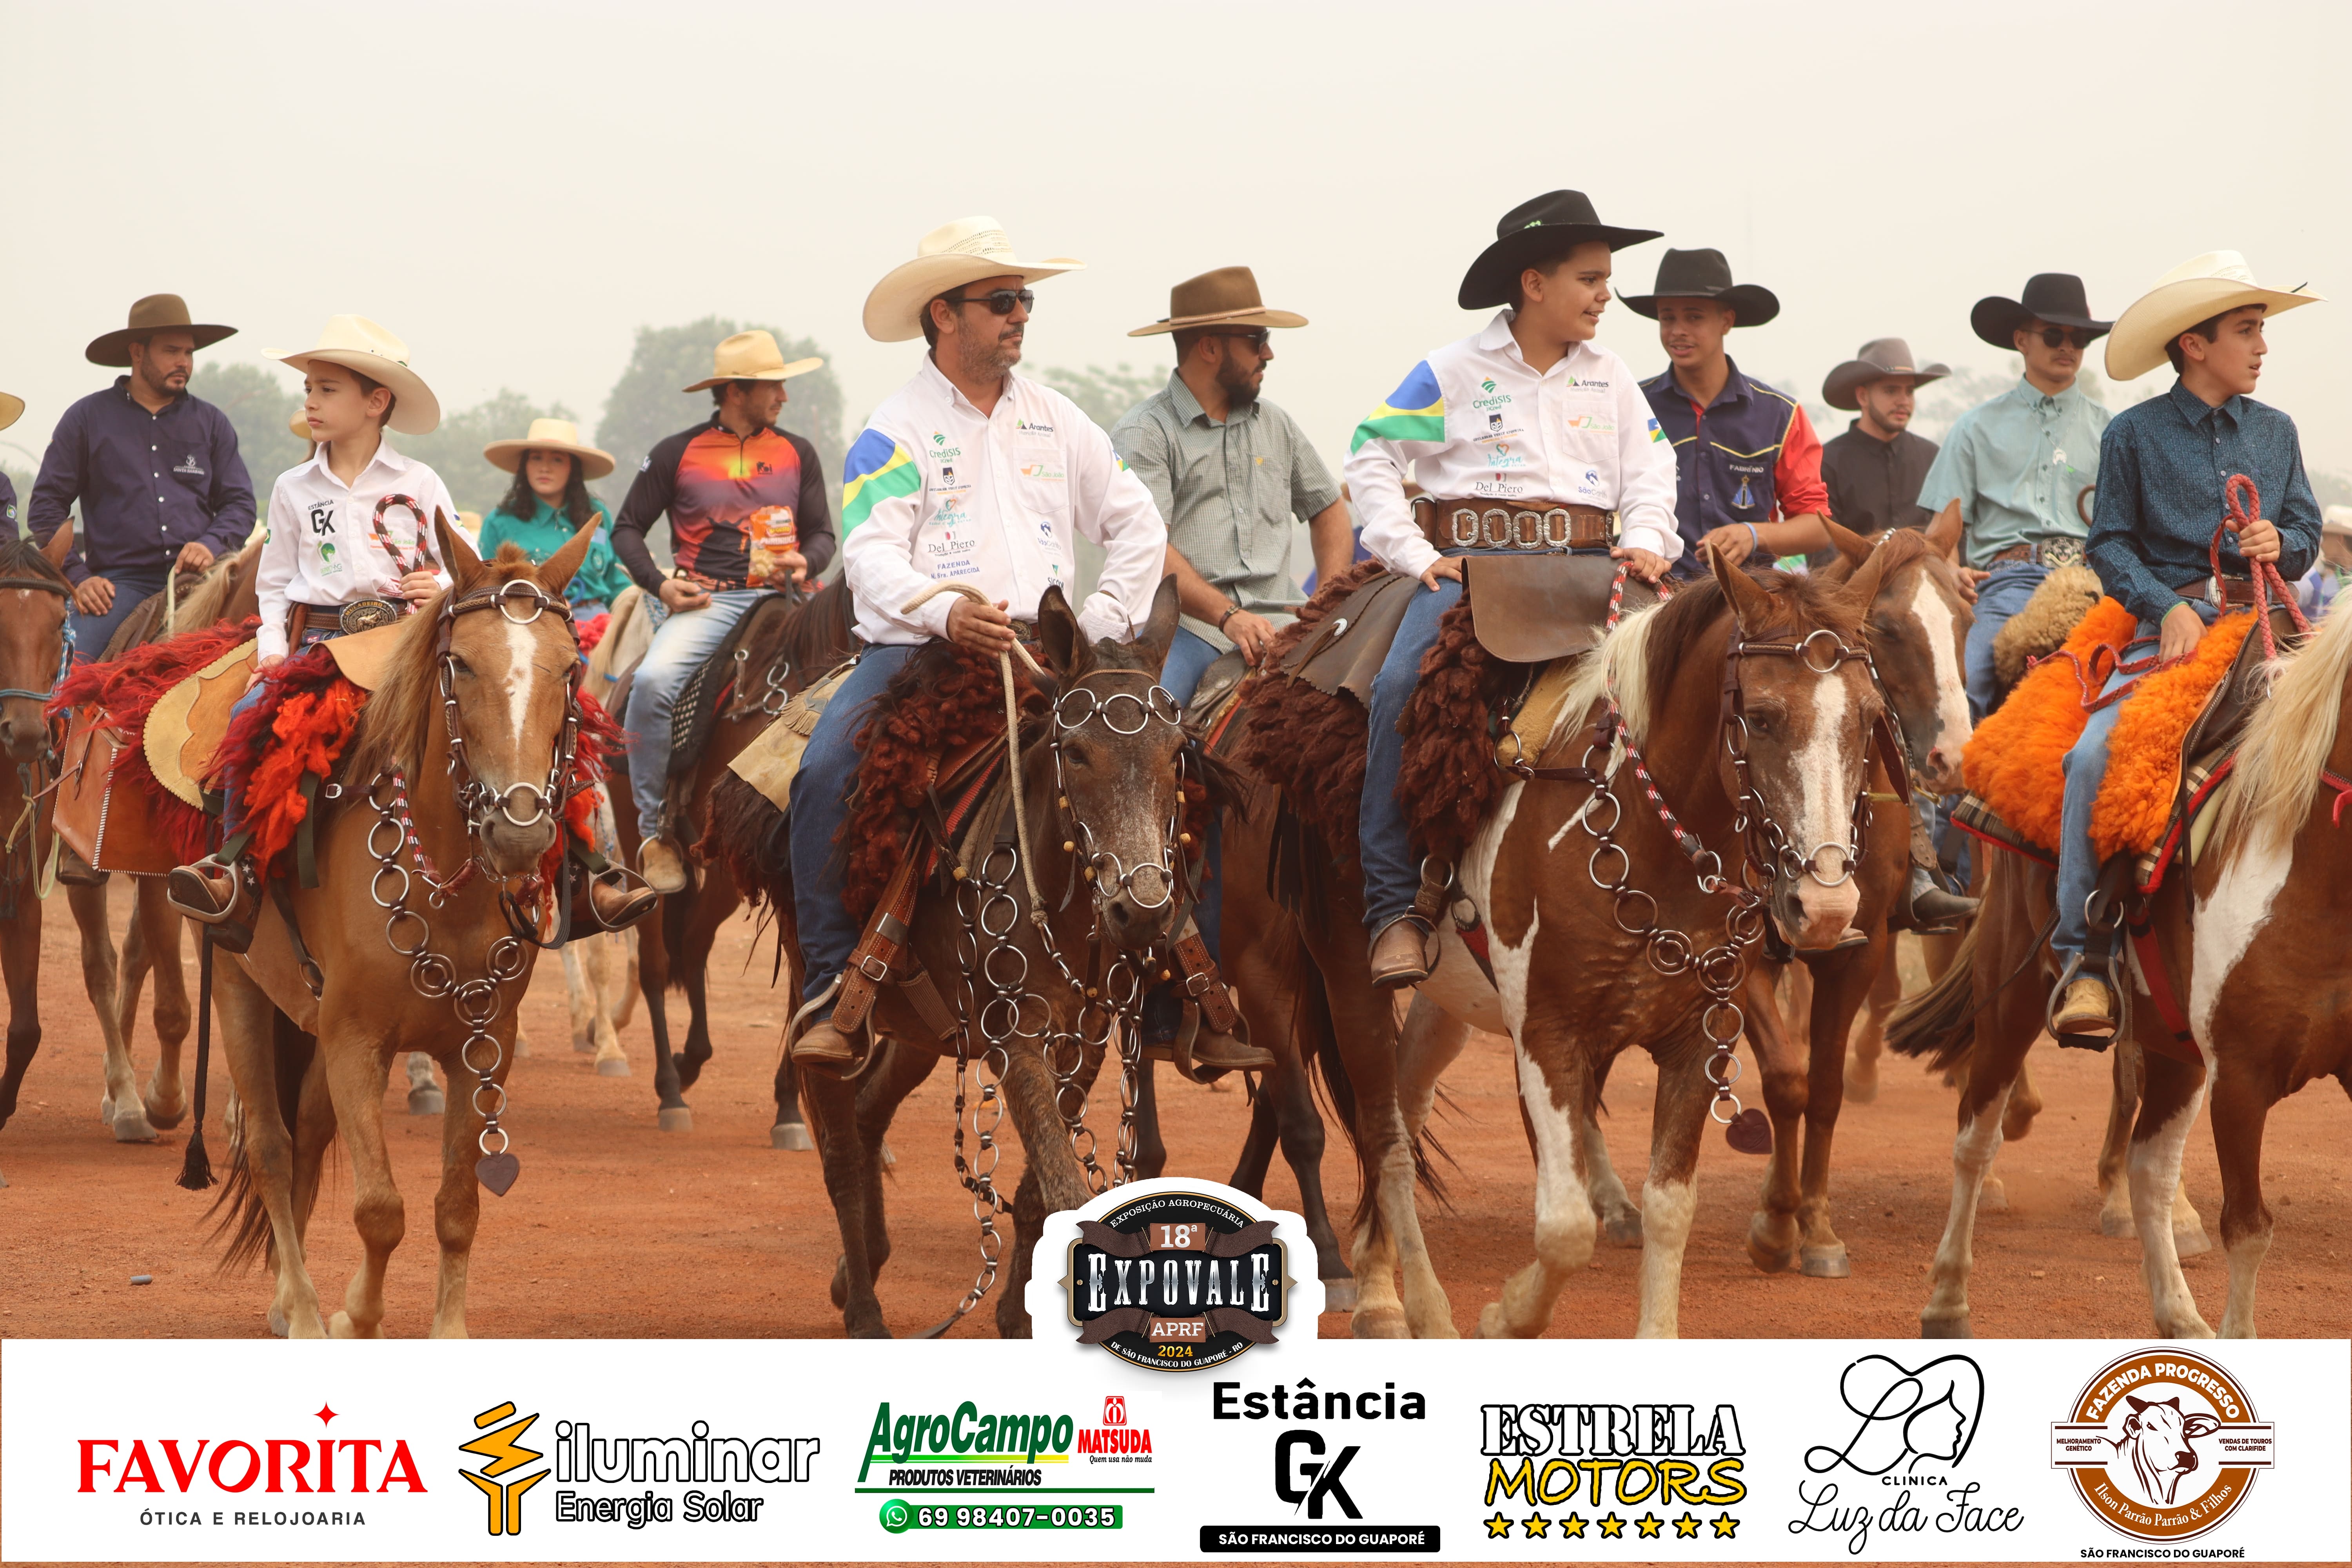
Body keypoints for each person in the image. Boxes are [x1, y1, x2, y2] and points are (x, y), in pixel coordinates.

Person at [789, 215, 1254, 1074]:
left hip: (1054, 657)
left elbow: (1137, 523)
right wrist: (945, 613)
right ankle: (831, 990)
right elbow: (871, 555)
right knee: (824, 771)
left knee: (1173, 772)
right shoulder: (893, 430)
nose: (1020, 315)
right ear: (944, 314)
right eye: (1001, 300)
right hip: (924, 652)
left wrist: (1103, 625)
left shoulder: (1057, 419)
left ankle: (1185, 997)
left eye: (1025, 301)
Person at [1347, 190, 1680, 987]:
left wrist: (1646, 539)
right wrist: (1413, 553)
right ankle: (1393, 909)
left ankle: (1719, 887)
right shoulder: (1451, 371)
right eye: (1590, 279)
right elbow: (1371, 456)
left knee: (1705, 673)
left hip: (1597, 571)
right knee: (1399, 686)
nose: (1605, 295)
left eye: (1605, 279)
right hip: (1478, 574)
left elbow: (1653, 471)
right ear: (1535, 284)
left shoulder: (1611, 376)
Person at [2049, 252, 2323, 1039]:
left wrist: (2283, 541)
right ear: (2195, 345)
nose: (2262, 347)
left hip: (2265, 632)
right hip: (2171, 634)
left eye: (2261, 331)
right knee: (2092, 759)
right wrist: (2166, 605)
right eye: (2247, 330)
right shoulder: (2133, 433)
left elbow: (2304, 531)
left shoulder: (2277, 432)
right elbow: (2109, 544)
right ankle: (2087, 959)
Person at [169, 315, 458, 924]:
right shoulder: (293, 487)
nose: (311, 401)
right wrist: (273, 652)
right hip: (322, 643)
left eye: (327, 389)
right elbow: (274, 586)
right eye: (309, 388)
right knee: (249, 715)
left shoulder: (420, 482)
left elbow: (464, 563)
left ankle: (565, 872)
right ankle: (235, 873)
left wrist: (439, 585)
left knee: (494, 714)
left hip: (404, 644)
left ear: (376, 402)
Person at [610, 331, 834, 893]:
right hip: (709, 600)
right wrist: (661, 586)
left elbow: (823, 536)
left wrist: (806, 562)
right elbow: (627, 528)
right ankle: (654, 833)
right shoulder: (676, 452)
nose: (783, 395)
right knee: (653, 684)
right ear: (736, 391)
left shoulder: (799, 453)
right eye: (773, 385)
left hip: (788, 599)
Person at [1111, 266, 1351, 701]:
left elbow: (1328, 508)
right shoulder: (1145, 433)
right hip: (1189, 630)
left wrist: (1327, 602)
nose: (1268, 354)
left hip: (1286, 625)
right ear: (1209, 347)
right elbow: (1149, 547)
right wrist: (1228, 616)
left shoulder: (1276, 424)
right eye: (1257, 340)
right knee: (1149, 713)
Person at [1915, 273, 2114, 720]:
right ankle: (1952, 769)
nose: (2068, 347)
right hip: (2006, 583)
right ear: (2022, 340)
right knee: (1966, 685)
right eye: (2054, 335)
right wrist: (1953, 571)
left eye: (2079, 338)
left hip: (2095, 583)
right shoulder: (1974, 428)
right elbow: (1942, 535)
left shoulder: (2115, 430)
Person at [27, 294, 255, 660]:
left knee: (266, 651)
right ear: (137, 352)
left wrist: (211, 544)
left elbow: (240, 503)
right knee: (71, 668)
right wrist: (78, 578)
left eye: (189, 353)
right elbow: (46, 507)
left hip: (204, 580)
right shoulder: (86, 418)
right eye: (171, 351)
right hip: (120, 585)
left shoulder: (212, 423)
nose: (184, 362)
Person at [1630, 248, 1830, 575]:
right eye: (1668, 318)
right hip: (1656, 591)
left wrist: (1754, 535)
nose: (1678, 330)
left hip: (1753, 597)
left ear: (1727, 321)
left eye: (1694, 317)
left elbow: (1818, 527)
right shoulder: (1633, 404)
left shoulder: (1781, 415)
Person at [480, 417, 635, 617]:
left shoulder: (598, 515)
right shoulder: (500, 522)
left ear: (573, 468)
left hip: (601, 622)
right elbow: (486, 589)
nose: (545, 468)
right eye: (536, 458)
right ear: (525, 465)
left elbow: (617, 581)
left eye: (557, 460)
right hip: (532, 622)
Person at [1819, 338, 1950, 538]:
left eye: (1910, 392)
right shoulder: (1828, 462)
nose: (1904, 401)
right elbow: (1824, 543)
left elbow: (1952, 534)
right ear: (1863, 397)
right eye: (1891, 391)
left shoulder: (1932, 457)